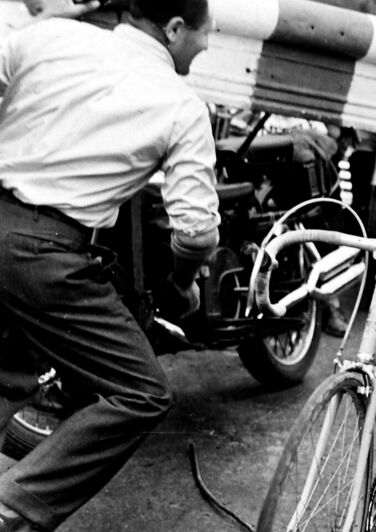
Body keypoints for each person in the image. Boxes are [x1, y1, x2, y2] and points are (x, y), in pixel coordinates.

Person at [0, 0, 220, 530]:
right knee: (142, 392)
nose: (207, 45)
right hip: (47, 255)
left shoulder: (49, 37)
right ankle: (12, 509)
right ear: (173, 29)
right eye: (204, 33)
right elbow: (196, 234)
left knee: (7, 378)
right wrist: (183, 283)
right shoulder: (180, 103)